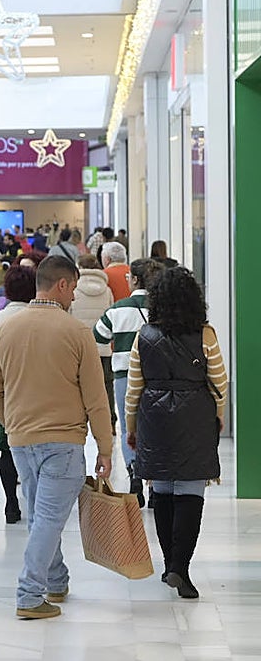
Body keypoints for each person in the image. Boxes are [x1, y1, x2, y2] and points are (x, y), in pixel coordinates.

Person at [0, 256, 114, 620]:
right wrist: (105, 448)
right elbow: (96, 399)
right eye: (73, 289)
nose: (74, 296)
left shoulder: (4, 328)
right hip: (63, 441)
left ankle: (56, 579)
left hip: (20, 440)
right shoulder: (77, 332)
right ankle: (29, 594)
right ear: (61, 285)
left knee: (41, 516)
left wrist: (11, 423)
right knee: (48, 519)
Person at [125, 267, 227, 600]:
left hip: (154, 416)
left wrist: (131, 427)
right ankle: (180, 568)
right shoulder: (205, 334)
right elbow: (219, 383)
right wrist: (217, 418)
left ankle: (170, 564)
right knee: (190, 489)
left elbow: (133, 388)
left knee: (163, 489)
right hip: (195, 413)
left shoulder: (144, 335)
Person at [93, 258, 164, 506]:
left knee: (128, 428)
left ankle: (134, 472)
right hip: (157, 378)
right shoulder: (164, 310)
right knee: (156, 430)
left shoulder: (118, 309)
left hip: (124, 376)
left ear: (134, 279)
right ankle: (155, 486)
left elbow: (98, 337)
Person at [0, 265, 37, 524]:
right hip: (32, 396)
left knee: (6, 452)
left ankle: (11, 503)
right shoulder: (39, 319)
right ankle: (35, 501)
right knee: (32, 451)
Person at [70, 253, 115, 435]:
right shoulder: (107, 290)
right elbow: (110, 317)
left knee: (77, 387)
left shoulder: (74, 290)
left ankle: (78, 423)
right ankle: (110, 423)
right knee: (106, 385)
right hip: (103, 347)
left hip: (79, 348)